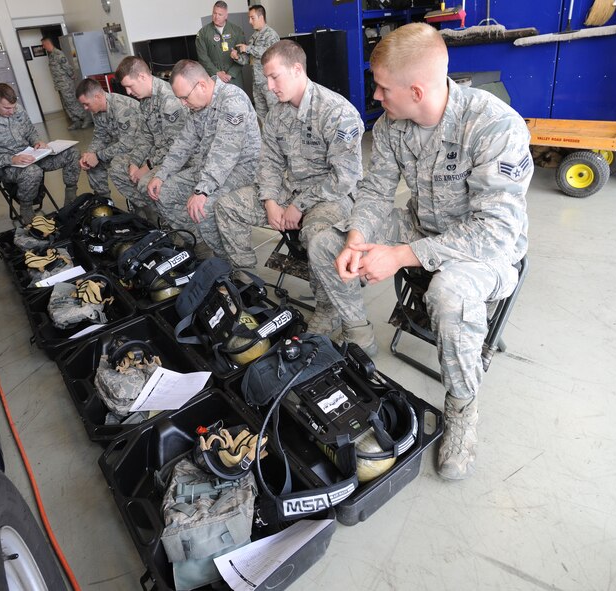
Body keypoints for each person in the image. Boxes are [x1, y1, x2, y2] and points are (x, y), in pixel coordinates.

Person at [306, 23, 531, 481]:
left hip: (486, 253)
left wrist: (401, 255)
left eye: (382, 86)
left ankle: (462, 410)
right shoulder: (392, 125)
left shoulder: (495, 126)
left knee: (450, 293)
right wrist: (357, 238)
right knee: (325, 239)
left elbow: (495, 234)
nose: (375, 95)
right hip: (421, 225)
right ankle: (358, 332)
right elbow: (374, 192)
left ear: (415, 89)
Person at [215, 40, 363, 338]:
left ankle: (328, 307)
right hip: (288, 190)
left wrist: (300, 205)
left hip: (330, 196)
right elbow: (267, 162)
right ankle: (248, 282)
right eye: (266, 78)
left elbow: (344, 177)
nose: (269, 86)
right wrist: (270, 200)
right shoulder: (277, 113)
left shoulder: (335, 111)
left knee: (317, 234)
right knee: (228, 207)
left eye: (274, 77)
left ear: (297, 70)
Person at [146, 59, 259, 258]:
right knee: (165, 193)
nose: (182, 103)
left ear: (202, 85)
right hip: (210, 168)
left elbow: (225, 152)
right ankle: (201, 244)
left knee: (203, 207)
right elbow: (184, 142)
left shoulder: (232, 100)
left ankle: (231, 263)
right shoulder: (198, 106)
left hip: (242, 170)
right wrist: (162, 175)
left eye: (184, 97)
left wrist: (202, 190)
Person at [0, 83, 80, 223]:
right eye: (7, 108)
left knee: (72, 153)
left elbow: (30, 131)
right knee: (32, 172)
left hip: (30, 155)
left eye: (14, 107)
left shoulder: (17, 109)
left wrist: (37, 142)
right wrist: (12, 159)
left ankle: (70, 201)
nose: (12, 111)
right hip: (6, 166)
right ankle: (26, 209)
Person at [113, 56, 189, 221]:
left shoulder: (168, 99)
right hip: (158, 153)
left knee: (145, 182)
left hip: (178, 157)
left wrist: (146, 167)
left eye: (129, 86)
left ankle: (175, 223)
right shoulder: (145, 100)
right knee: (118, 168)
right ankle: (151, 217)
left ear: (141, 77)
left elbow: (174, 146)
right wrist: (134, 162)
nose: (128, 92)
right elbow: (145, 136)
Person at [74, 77, 141, 202]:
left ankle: (141, 207)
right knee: (92, 165)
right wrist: (90, 154)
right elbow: (100, 135)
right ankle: (105, 203)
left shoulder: (122, 108)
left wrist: (98, 156)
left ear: (98, 96)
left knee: (117, 167)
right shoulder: (97, 109)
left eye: (86, 104)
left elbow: (128, 144)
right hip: (122, 146)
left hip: (139, 148)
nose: (85, 108)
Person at [230, 5, 279, 119]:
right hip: (257, 84)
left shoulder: (271, 35)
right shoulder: (253, 37)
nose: (249, 21)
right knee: (261, 116)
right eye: (249, 18)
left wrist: (247, 48)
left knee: (275, 114)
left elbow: (270, 53)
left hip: (269, 83)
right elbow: (248, 59)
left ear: (261, 17)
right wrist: (237, 57)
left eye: (252, 18)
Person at [41, 37, 92, 130]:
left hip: (66, 84)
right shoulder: (51, 55)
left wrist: (72, 75)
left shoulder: (58, 54)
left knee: (71, 102)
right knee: (66, 104)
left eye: (44, 45)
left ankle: (86, 117)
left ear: (48, 44)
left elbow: (67, 67)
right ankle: (76, 121)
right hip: (59, 85)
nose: (43, 47)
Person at [195, 1, 246, 90]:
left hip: (234, 78)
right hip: (214, 78)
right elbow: (203, 57)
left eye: (220, 14)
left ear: (226, 15)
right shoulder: (203, 33)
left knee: (237, 102)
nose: (216, 17)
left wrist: (231, 74)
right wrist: (217, 73)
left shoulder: (236, 31)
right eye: (214, 13)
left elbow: (243, 55)